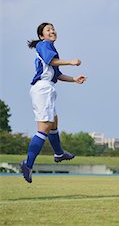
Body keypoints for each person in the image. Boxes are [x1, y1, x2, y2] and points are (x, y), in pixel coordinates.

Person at [21, 23, 86, 183]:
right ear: (42, 36)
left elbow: (56, 74)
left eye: (53, 28)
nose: (52, 31)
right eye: (48, 29)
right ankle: (27, 164)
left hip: (47, 88)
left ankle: (58, 153)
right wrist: (71, 61)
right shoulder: (44, 45)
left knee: (54, 122)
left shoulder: (50, 48)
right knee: (44, 127)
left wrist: (74, 79)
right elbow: (52, 61)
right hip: (43, 89)